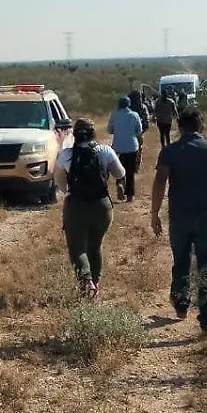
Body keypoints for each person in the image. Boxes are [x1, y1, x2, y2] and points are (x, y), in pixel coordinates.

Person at [150, 110, 207, 333]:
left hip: (179, 216)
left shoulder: (169, 152)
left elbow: (160, 181)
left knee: (181, 260)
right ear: (201, 126)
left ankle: (181, 305)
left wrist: (155, 213)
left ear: (180, 128)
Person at [53, 118, 126, 298]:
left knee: (77, 248)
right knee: (96, 245)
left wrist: (72, 192)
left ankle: (86, 281)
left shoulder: (65, 155)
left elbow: (61, 184)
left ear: (74, 134)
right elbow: (120, 173)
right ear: (93, 133)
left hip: (76, 206)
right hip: (101, 206)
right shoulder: (105, 151)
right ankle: (96, 281)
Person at [106, 96, 144, 201]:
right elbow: (139, 131)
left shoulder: (114, 115)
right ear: (129, 104)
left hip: (117, 147)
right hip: (132, 147)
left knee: (119, 168)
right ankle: (130, 195)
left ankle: (120, 183)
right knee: (130, 171)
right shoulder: (134, 115)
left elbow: (110, 130)